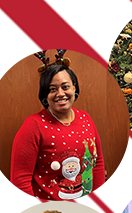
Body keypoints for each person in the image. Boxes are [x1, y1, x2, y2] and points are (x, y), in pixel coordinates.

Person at [11, 50, 106, 200]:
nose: (60, 93)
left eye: (65, 87)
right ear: (45, 95)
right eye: (52, 89)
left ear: (74, 88)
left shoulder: (86, 118)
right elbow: (20, 181)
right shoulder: (33, 126)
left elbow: (98, 163)